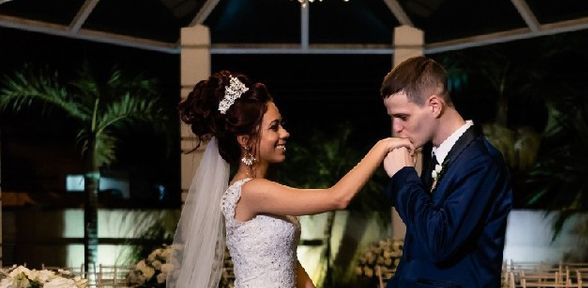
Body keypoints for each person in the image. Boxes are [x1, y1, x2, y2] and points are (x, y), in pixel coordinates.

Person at [168, 70, 413, 288]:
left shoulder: (264, 190)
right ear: (245, 140)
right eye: (274, 127)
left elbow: (289, 262)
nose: (285, 133)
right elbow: (338, 197)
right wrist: (383, 146)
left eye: (281, 124)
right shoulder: (250, 192)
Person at [380, 56, 512, 288]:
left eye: (403, 117)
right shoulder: (438, 155)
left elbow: (440, 242)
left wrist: (404, 176)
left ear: (434, 106)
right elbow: (418, 242)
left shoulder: (482, 162)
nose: (396, 127)